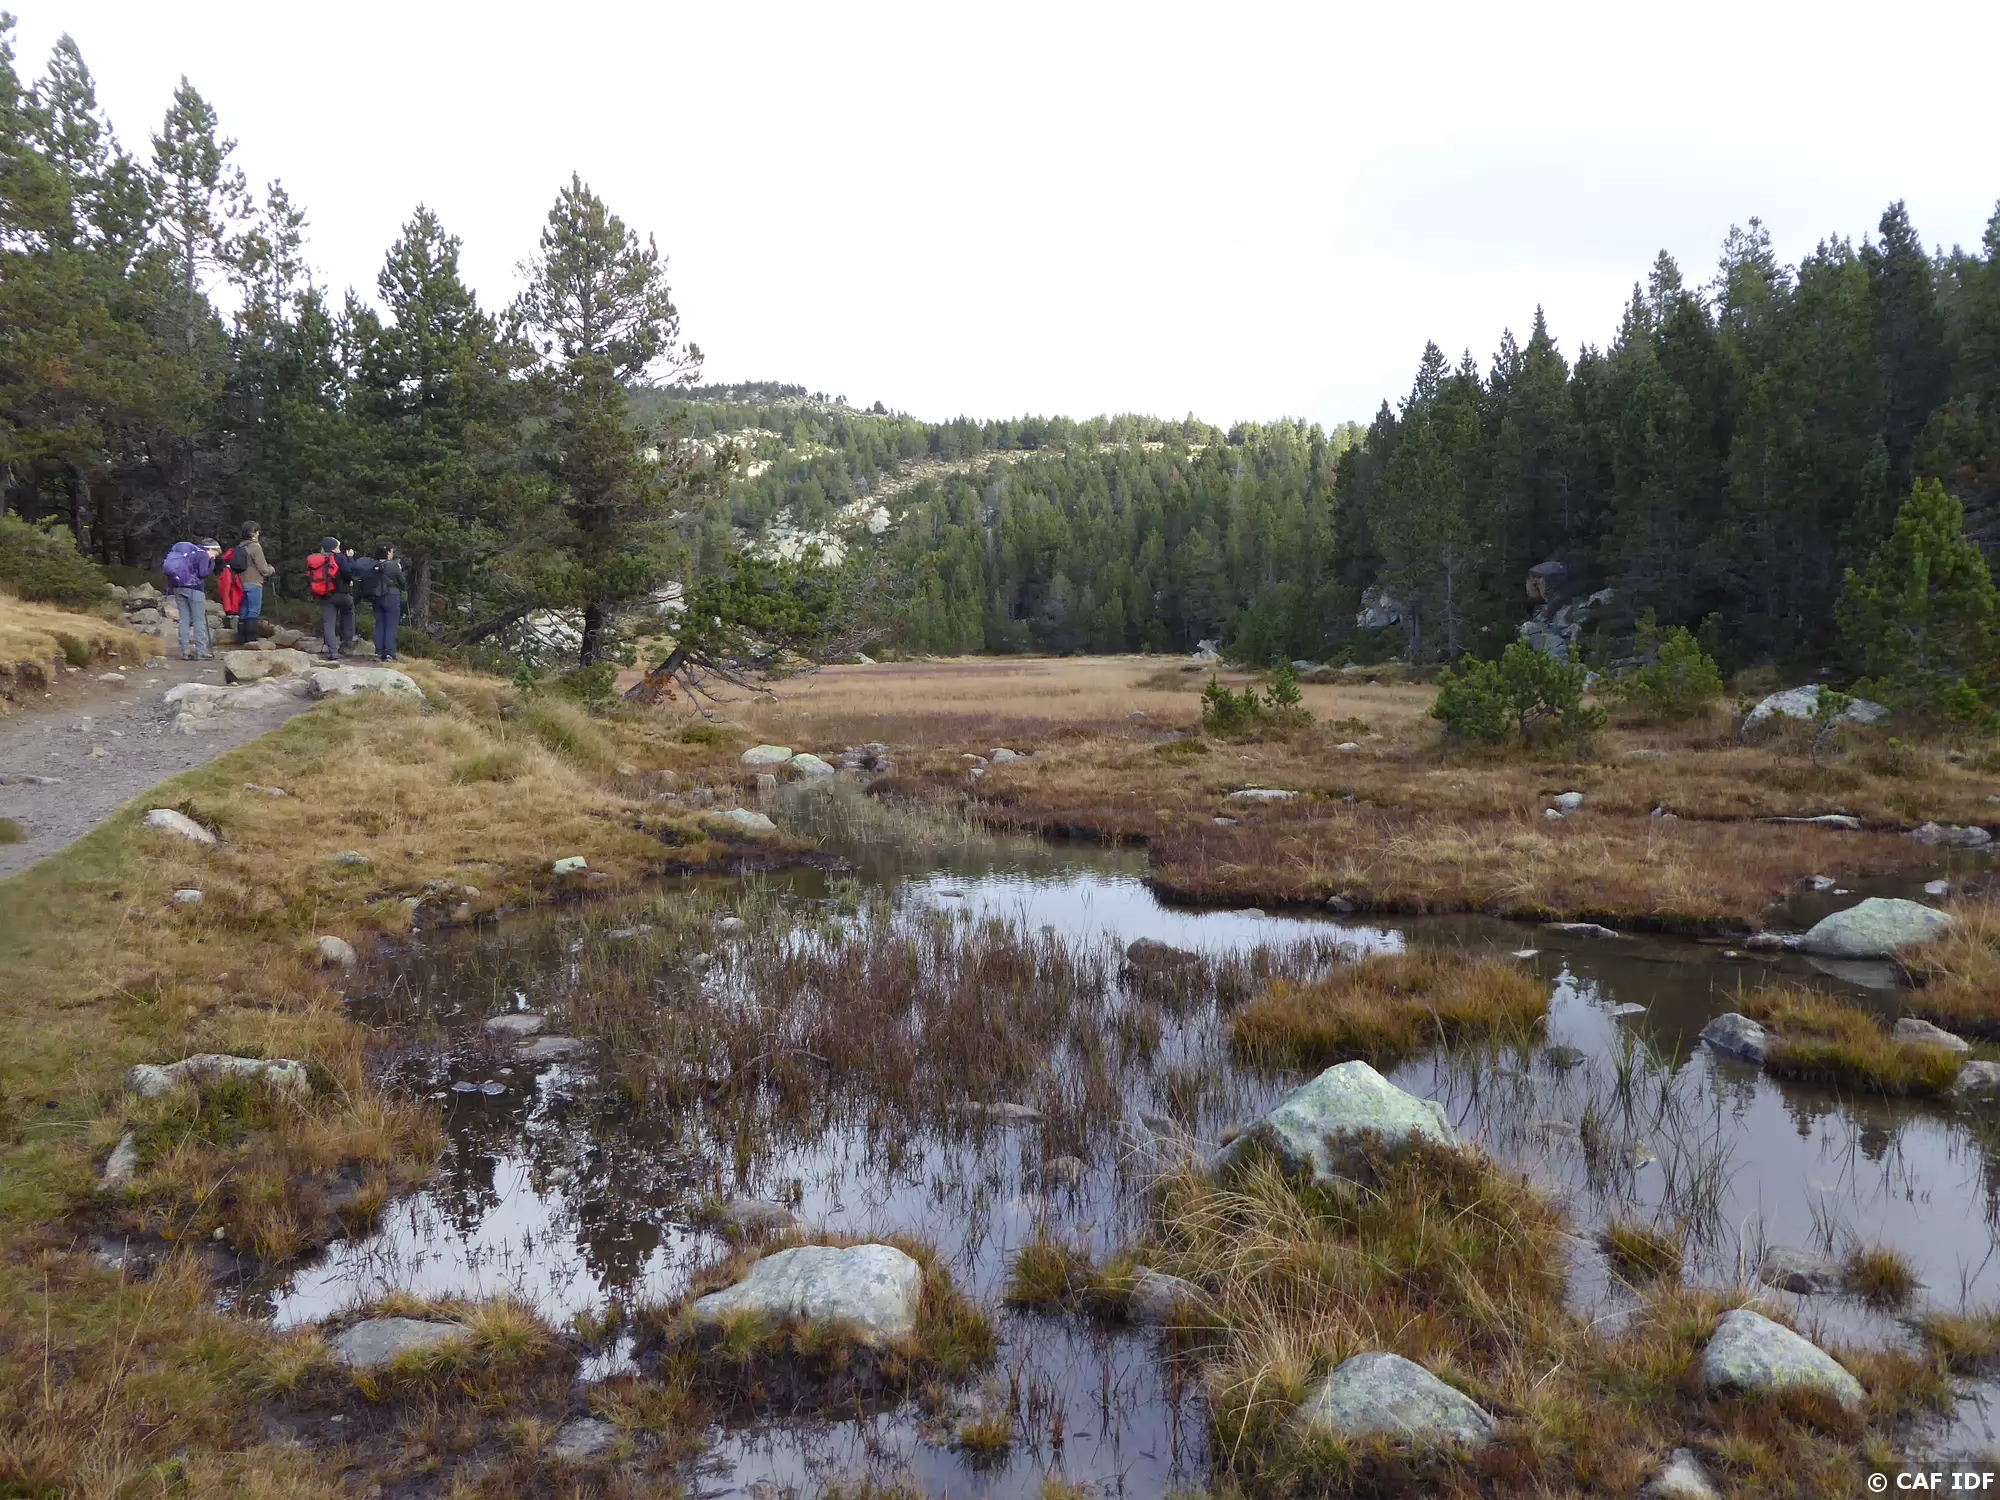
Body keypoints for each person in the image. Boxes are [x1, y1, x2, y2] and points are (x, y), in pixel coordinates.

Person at [162, 537, 222, 660]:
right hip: (195, 590)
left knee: (184, 619)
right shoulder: (203, 555)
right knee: (198, 620)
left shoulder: (190, 553)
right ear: (210, 549)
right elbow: (202, 573)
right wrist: (211, 564)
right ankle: (201, 651)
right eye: (215, 554)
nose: (214, 556)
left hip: (178, 588)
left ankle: (185, 651)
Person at [306, 537, 354, 658]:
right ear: (334, 547)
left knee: (329, 623)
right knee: (348, 615)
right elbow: (348, 573)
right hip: (343, 594)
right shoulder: (340, 557)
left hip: (325, 595)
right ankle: (346, 645)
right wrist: (350, 558)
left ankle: (333, 651)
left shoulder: (318, 559)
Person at [232, 521, 275, 647]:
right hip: (254, 583)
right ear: (253, 533)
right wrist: (271, 569)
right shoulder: (256, 547)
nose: (258, 533)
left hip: (241, 583)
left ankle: (241, 639)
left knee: (243, 611)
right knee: (254, 610)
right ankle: (251, 639)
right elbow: (263, 569)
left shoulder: (240, 547)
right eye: (257, 531)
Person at [343, 543, 383, 650]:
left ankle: (349, 636)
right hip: (372, 591)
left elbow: (351, 569)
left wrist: (350, 558)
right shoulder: (377, 564)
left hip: (356, 588)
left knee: (349, 612)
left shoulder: (360, 562)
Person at [372, 544, 406, 661]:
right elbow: (403, 583)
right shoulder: (393, 565)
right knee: (391, 626)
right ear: (387, 553)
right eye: (391, 551)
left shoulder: (372, 564)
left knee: (380, 625)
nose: (392, 554)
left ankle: (378, 652)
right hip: (391, 596)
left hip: (376, 597)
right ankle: (389, 653)